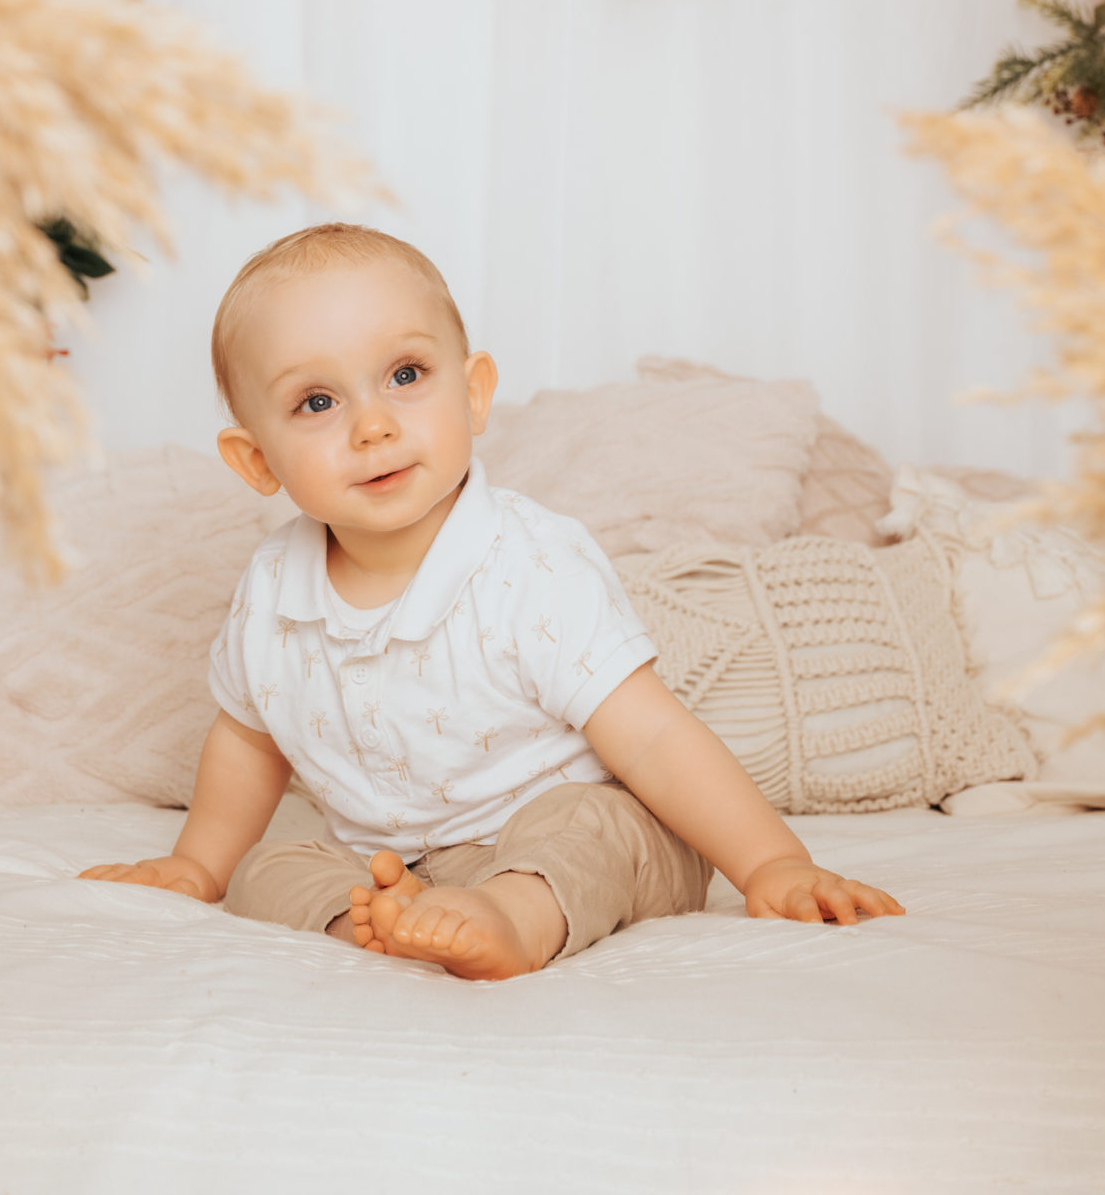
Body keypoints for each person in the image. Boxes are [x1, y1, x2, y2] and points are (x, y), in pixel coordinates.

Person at [79, 224, 904, 979]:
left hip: (564, 830)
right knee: (270, 868)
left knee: (598, 829)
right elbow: (248, 740)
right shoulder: (271, 592)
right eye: (318, 402)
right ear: (257, 461)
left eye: (405, 376)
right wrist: (199, 863)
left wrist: (772, 863)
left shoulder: (527, 563)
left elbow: (653, 736)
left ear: (473, 394)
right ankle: (381, 923)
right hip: (399, 861)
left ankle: (515, 915)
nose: (371, 425)